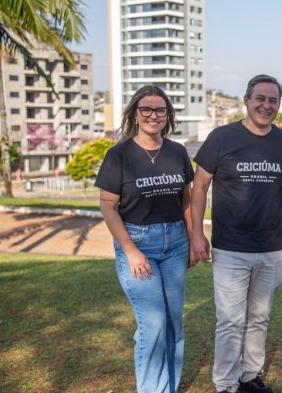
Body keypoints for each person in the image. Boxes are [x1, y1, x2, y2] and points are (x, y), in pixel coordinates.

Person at [191, 75, 282, 393]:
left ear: (279, 105)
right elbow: (199, 187)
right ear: (246, 100)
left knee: (259, 317)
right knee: (229, 320)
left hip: (270, 247)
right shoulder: (222, 137)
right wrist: (197, 234)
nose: (266, 106)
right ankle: (225, 384)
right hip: (230, 247)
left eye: (273, 100)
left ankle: (250, 376)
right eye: (260, 99)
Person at [96, 85, 195, 393]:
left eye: (160, 110)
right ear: (135, 114)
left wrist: (193, 240)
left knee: (172, 323)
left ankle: (169, 387)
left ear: (168, 115)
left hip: (176, 243)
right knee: (152, 324)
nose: (154, 115)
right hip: (138, 244)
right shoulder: (119, 155)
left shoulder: (178, 152)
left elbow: (187, 200)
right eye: (147, 110)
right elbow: (108, 207)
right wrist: (131, 252)